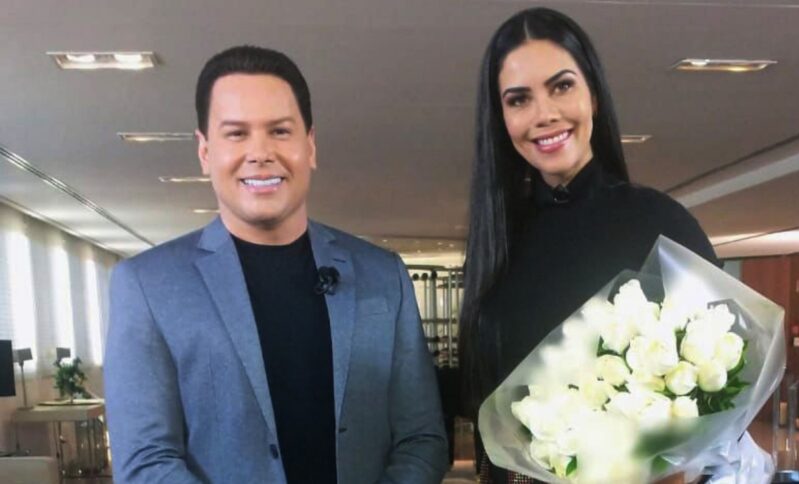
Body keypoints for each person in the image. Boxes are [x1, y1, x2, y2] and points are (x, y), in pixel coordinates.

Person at [104, 45, 448, 484]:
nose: (260, 152)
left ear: (310, 145)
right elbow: (145, 461)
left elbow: (422, 438)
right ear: (205, 152)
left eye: (280, 131)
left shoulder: (384, 276)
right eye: (236, 133)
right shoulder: (147, 286)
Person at [458, 8, 719, 483]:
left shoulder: (660, 223)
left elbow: (716, 392)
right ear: (501, 119)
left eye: (561, 86)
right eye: (519, 100)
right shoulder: (497, 241)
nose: (544, 114)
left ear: (593, 95)